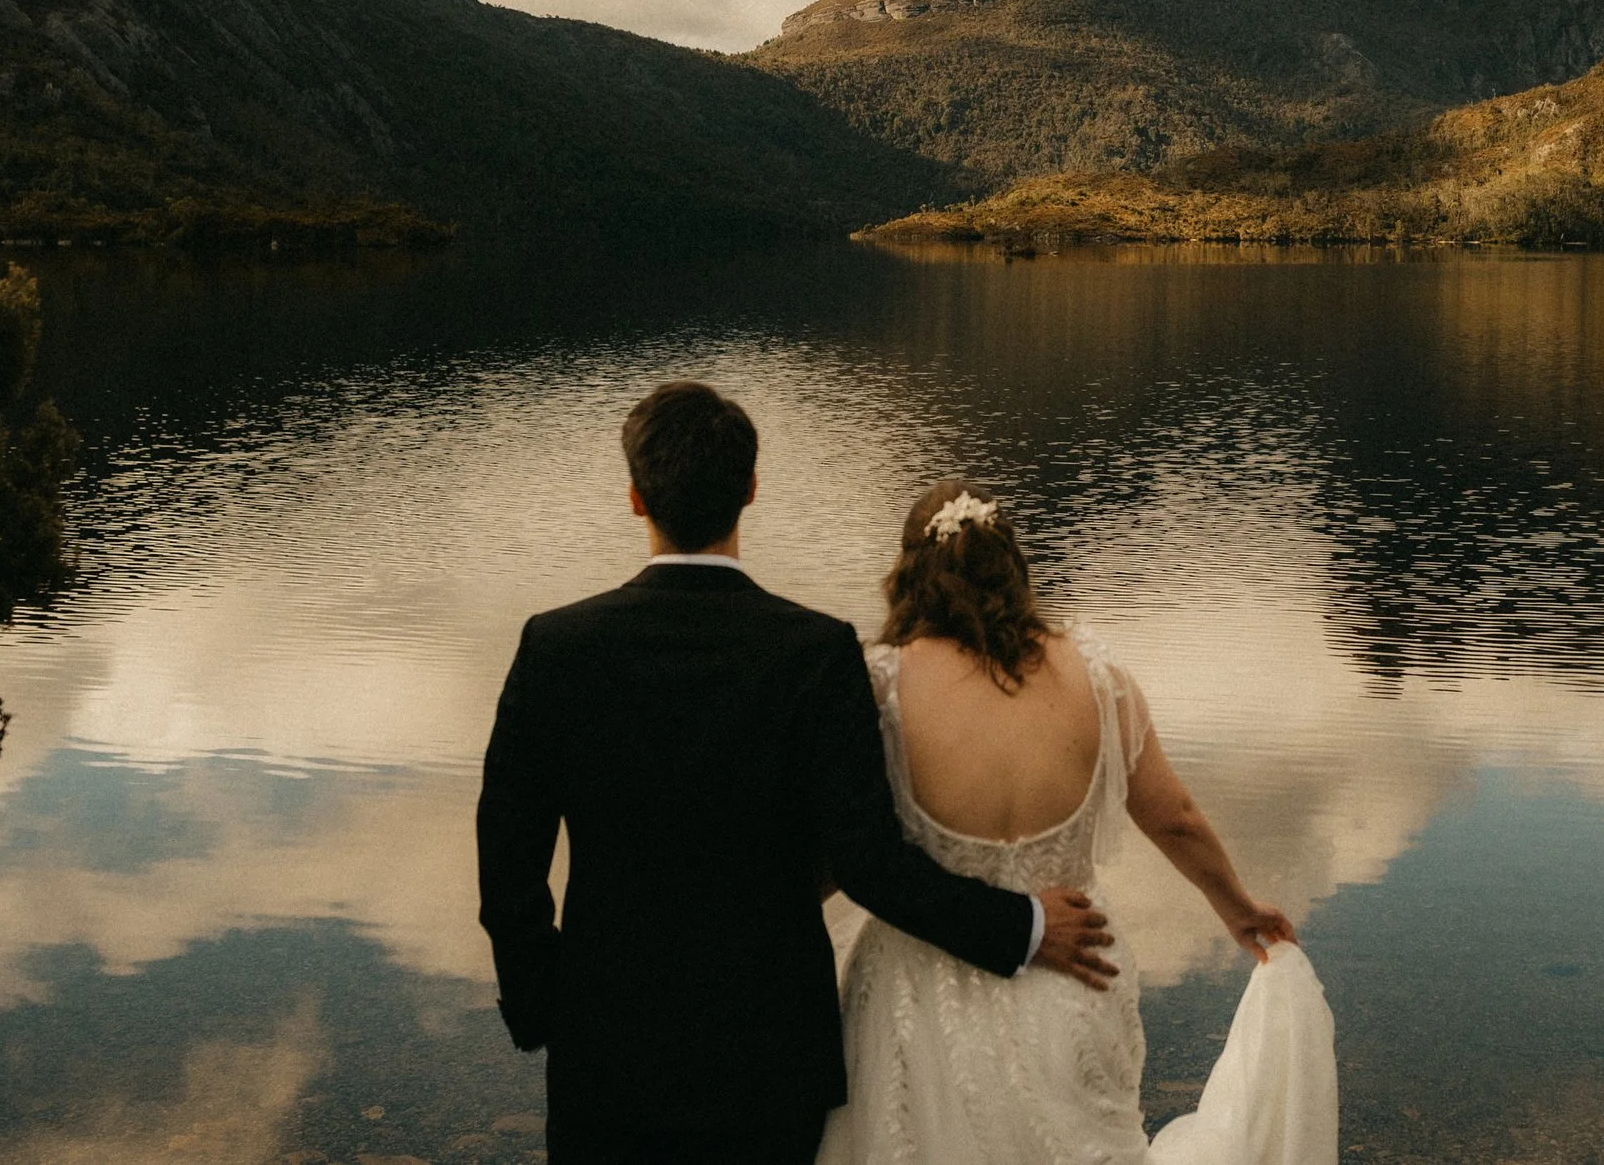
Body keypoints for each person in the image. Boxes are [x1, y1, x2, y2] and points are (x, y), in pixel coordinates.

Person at [476, 383, 1118, 1164]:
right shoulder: (814, 652)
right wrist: (1022, 925)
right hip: (771, 1054)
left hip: (608, 1052)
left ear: (635, 497)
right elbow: (870, 864)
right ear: (750, 489)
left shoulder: (558, 648)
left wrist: (546, 1006)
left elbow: (508, 860)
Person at [816, 480, 1339, 1165]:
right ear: (1013, 566)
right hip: (1074, 972)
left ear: (909, 575)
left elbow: (848, 850)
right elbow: (1175, 818)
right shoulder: (1097, 676)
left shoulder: (877, 685)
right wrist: (1237, 906)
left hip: (918, 990)